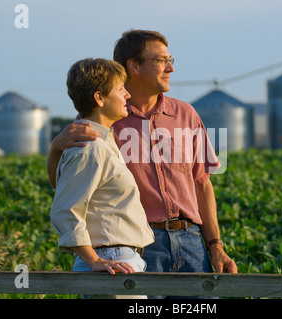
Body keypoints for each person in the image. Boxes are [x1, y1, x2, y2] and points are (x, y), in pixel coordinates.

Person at [47, 30, 237, 292]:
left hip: (191, 240)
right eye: (160, 61)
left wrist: (215, 245)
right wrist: (55, 149)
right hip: (137, 244)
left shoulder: (186, 114)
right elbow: (66, 191)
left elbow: (201, 184)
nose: (170, 67)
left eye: (171, 60)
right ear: (133, 66)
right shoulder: (101, 124)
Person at [49, 58, 154, 298]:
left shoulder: (102, 142)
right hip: (110, 263)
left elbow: (63, 189)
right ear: (99, 98)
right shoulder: (91, 147)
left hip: (115, 260)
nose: (127, 95)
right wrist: (94, 260)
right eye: (120, 89)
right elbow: (65, 210)